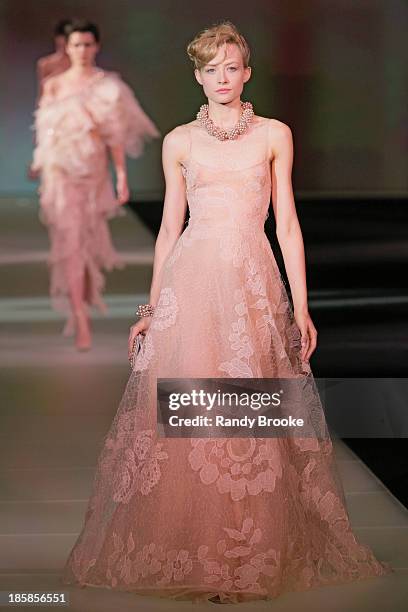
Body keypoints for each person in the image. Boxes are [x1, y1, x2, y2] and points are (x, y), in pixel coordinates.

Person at [60, 21, 392, 603]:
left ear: (247, 72)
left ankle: (247, 556)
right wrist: (150, 308)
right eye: (211, 69)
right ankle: (207, 553)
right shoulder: (179, 142)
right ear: (197, 74)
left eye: (231, 67)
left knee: (250, 417)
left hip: (253, 285)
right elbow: (167, 230)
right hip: (193, 284)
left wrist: (303, 309)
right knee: (192, 413)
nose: (222, 78)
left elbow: (287, 224)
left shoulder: (274, 135)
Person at [30, 19, 160, 351]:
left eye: (88, 45)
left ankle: (84, 301)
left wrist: (122, 177)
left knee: (87, 243)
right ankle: (80, 318)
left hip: (93, 175)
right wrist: (38, 160)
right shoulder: (54, 84)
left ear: (97, 47)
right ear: (66, 46)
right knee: (71, 242)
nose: (82, 51)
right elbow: (45, 130)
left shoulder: (108, 88)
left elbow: (115, 138)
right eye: (76, 45)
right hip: (60, 175)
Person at [36, 19, 72, 102]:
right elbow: (42, 92)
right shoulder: (46, 63)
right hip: (54, 104)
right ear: (56, 39)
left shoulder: (80, 62)